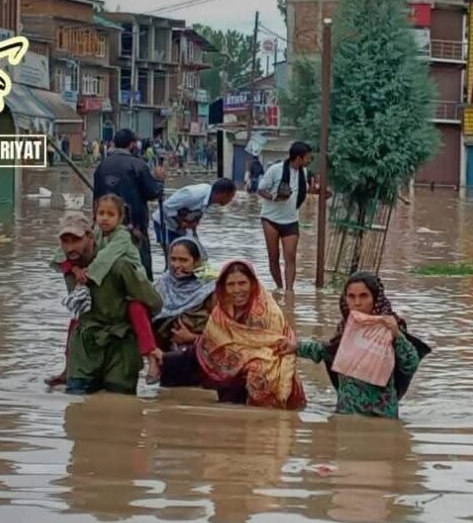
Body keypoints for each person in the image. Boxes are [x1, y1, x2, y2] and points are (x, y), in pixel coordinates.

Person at [47, 197, 165, 385]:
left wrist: (87, 274)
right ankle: (68, 367)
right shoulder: (94, 237)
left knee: (136, 309)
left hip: (133, 286)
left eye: (110, 214)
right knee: (76, 321)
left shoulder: (122, 237)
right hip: (97, 317)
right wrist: (73, 268)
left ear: (120, 218)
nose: (105, 218)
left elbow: (106, 257)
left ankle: (151, 358)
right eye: (101, 213)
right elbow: (59, 256)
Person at [159, 260, 306, 408]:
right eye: (231, 284)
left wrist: (242, 358)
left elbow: (276, 348)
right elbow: (212, 341)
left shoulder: (268, 313)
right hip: (227, 360)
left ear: (252, 284)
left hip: (264, 364)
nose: (237, 290)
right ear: (224, 287)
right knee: (173, 363)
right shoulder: (222, 309)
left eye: (242, 283)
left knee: (252, 376)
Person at [285, 272, 429, 420]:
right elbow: (327, 351)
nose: (357, 302)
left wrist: (397, 335)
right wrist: (295, 347)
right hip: (346, 415)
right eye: (351, 296)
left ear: (375, 298)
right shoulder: (346, 329)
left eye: (364, 296)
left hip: (380, 419)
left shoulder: (388, 328)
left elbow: (410, 364)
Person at [93, 128, 166, 279]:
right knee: (141, 273)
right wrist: (159, 179)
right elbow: (153, 192)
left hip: (106, 229)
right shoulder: (139, 165)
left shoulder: (102, 166)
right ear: (132, 144)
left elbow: (96, 200)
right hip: (135, 229)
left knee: (107, 270)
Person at [257, 142, 313, 291]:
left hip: (291, 220)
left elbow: (302, 193)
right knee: (273, 256)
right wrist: (274, 197)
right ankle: (279, 288)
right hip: (270, 220)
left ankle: (289, 292)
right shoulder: (275, 170)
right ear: (299, 158)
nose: (309, 161)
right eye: (308, 158)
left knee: (290, 257)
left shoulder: (303, 172)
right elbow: (260, 189)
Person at [152, 237, 216, 352]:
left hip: (201, 352)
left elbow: (224, 331)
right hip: (163, 352)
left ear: (197, 261)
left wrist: (192, 338)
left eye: (183, 260)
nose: (176, 265)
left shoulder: (210, 289)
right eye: (173, 259)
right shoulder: (162, 284)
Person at [151, 178, 237, 257]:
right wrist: (181, 223)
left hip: (180, 228)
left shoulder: (209, 197)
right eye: (231, 196)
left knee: (193, 255)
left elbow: (195, 213)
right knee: (173, 258)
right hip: (165, 224)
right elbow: (166, 207)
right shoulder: (193, 195)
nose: (231, 200)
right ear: (224, 194)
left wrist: (193, 229)